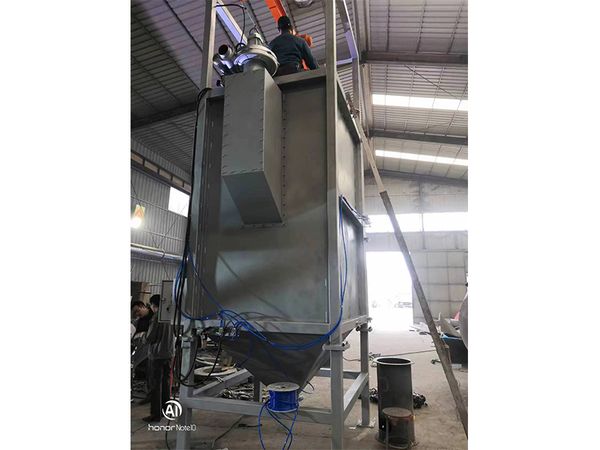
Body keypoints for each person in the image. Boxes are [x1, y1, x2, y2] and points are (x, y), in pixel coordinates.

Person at [142, 294, 174, 423]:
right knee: (166, 383)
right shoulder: (170, 316)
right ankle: (166, 409)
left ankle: (155, 414)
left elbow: (150, 337)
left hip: (157, 355)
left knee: (155, 385)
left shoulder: (156, 317)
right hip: (169, 353)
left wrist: (142, 336)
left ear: (153, 305)